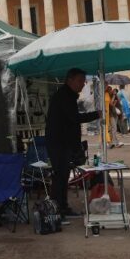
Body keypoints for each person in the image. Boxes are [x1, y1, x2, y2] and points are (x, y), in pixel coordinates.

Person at [45, 68, 100, 220]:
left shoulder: (68, 96)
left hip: (63, 143)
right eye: (80, 81)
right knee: (60, 177)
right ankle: (58, 208)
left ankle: (61, 207)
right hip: (59, 143)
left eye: (84, 81)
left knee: (62, 177)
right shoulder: (63, 96)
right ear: (70, 79)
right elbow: (74, 118)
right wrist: (96, 114)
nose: (83, 84)